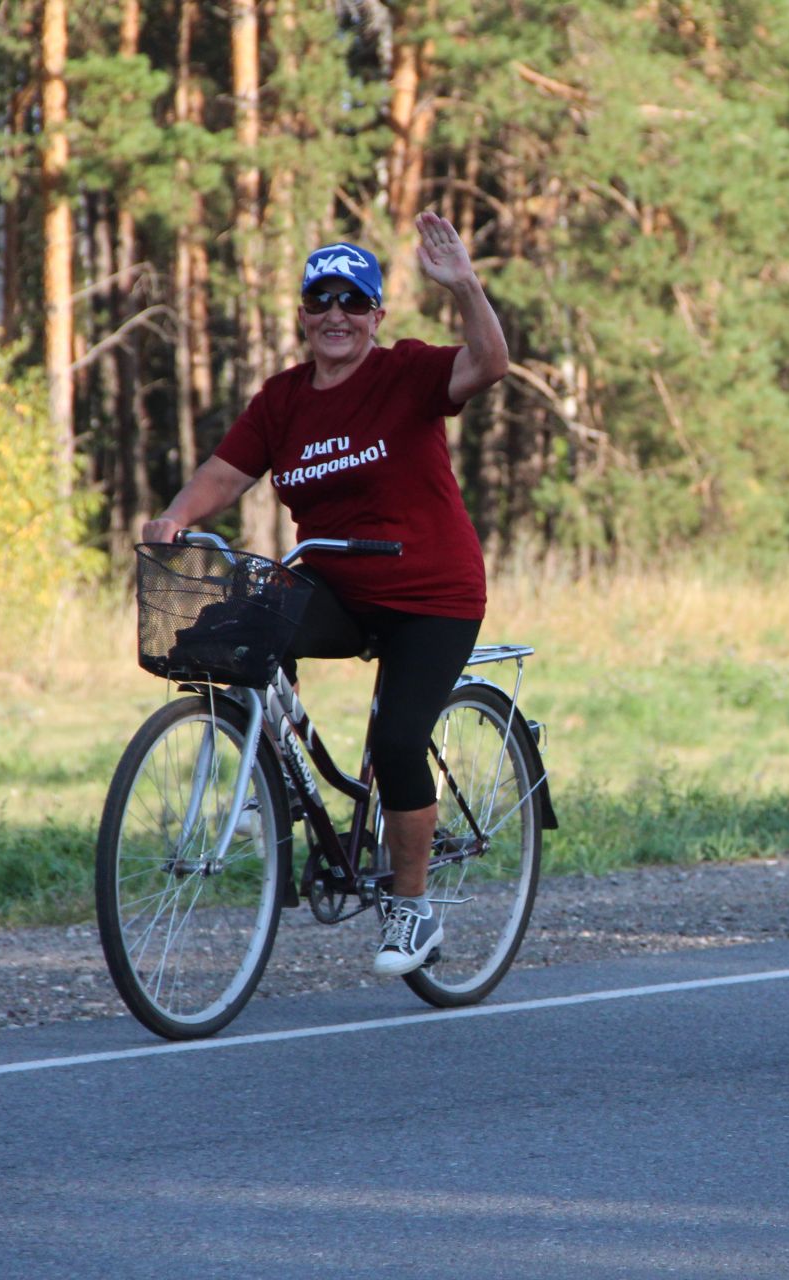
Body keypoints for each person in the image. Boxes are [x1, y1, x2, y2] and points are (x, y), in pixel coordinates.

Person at [143, 211, 509, 977]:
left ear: (377, 315)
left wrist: (466, 285)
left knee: (401, 739)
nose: (335, 316)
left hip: (431, 590)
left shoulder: (405, 372)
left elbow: (489, 363)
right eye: (321, 301)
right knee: (235, 618)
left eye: (353, 301)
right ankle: (260, 788)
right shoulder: (283, 400)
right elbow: (227, 472)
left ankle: (411, 911)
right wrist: (177, 515)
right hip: (338, 582)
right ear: (303, 315)